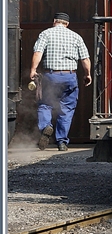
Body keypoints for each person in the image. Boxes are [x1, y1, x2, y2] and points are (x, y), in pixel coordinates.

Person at [29, 12, 91, 151]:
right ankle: (62, 142)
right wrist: (87, 74)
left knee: (45, 104)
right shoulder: (76, 36)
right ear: (67, 24)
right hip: (70, 76)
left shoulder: (46, 34)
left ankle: (46, 126)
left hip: (51, 76)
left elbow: (38, 53)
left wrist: (33, 70)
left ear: (54, 21)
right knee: (67, 109)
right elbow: (85, 59)